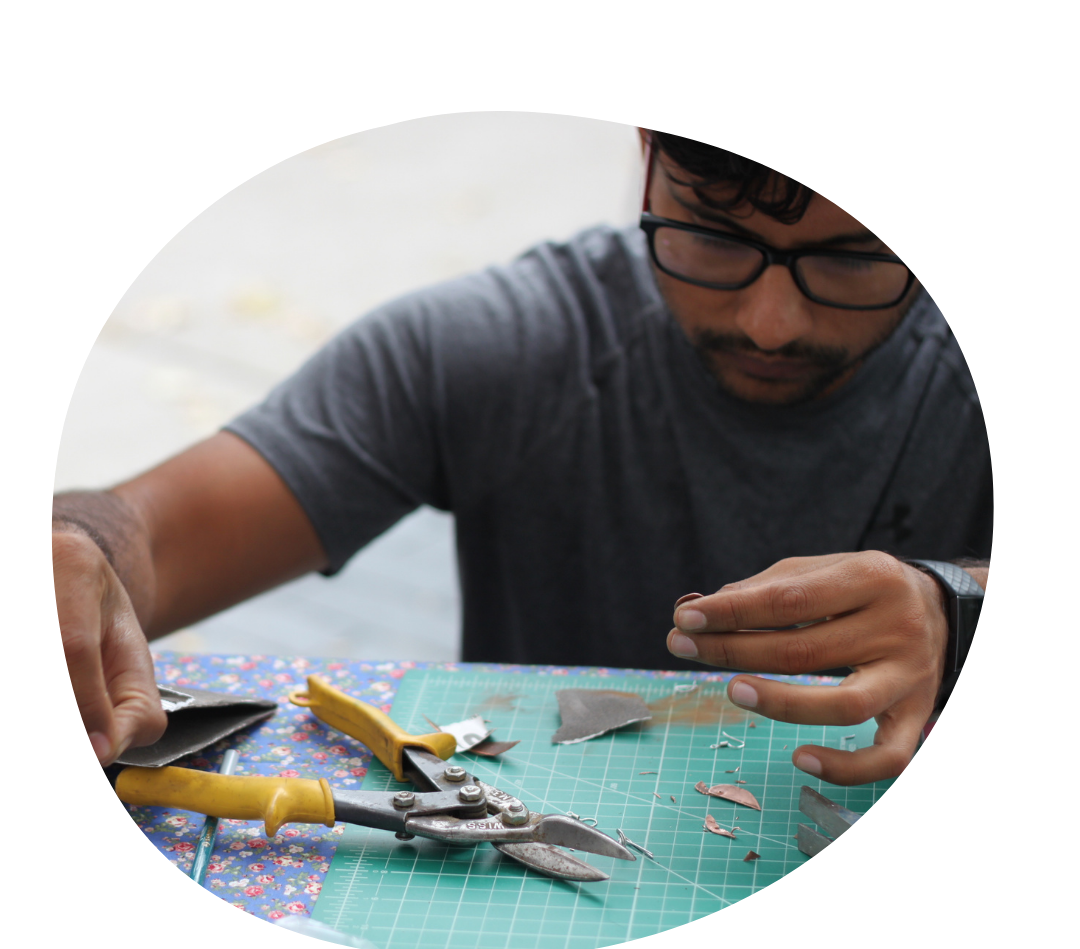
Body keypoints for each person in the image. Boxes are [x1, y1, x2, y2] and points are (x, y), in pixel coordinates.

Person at [53, 129, 991, 788]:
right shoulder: (503, 349)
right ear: (645, 153)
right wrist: (78, 552)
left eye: (853, 259)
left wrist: (959, 610)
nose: (769, 322)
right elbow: (151, 540)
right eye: (712, 237)